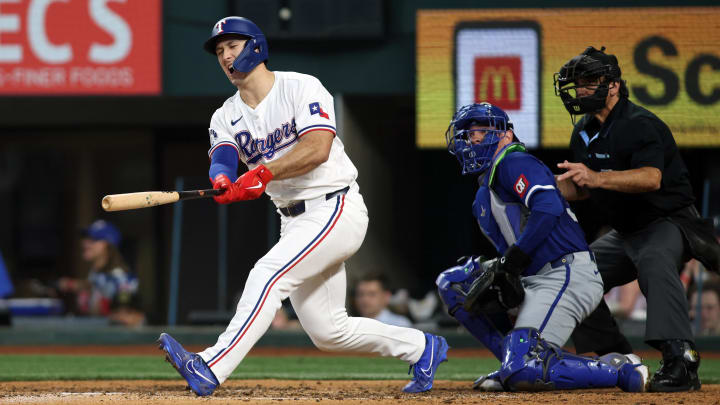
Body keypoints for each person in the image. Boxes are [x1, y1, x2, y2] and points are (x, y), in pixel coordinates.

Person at [157, 16, 447, 397]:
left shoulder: (301, 86)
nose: (225, 56)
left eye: (232, 46)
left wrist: (262, 173)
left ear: (256, 47)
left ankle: (212, 364)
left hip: (335, 207)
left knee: (267, 275)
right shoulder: (225, 114)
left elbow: (318, 148)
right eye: (219, 51)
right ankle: (423, 348)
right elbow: (224, 157)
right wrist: (224, 181)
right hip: (293, 220)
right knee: (329, 331)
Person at [435, 101, 649, 392]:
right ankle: (513, 361)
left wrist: (512, 262)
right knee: (455, 282)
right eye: (469, 134)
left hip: (567, 273)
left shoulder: (514, 161)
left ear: (506, 135)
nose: (473, 139)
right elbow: (510, 254)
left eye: (481, 131)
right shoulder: (482, 199)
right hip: (536, 277)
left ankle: (621, 369)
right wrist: (507, 274)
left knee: (526, 369)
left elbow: (547, 206)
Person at [553, 46, 720, 392]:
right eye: (577, 82)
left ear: (613, 85)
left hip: (668, 221)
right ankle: (615, 357)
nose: (580, 89)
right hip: (625, 231)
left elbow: (651, 178)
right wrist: (553, 189)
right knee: (575, 274)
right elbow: (585, 189)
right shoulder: (582, 132)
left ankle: (680, 361)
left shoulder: (640, 123)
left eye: (589, 81)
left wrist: (596, 177)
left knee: (655, 260)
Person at [57, 220, 144, 327]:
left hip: (117, 341)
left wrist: (109, 315)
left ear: (108, 245)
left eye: (93, 239)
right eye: (85, 238)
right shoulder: (96, 273)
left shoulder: (120, 278)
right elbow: (95, 284)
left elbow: (132, 319)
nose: (85, 243)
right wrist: (72, 285)